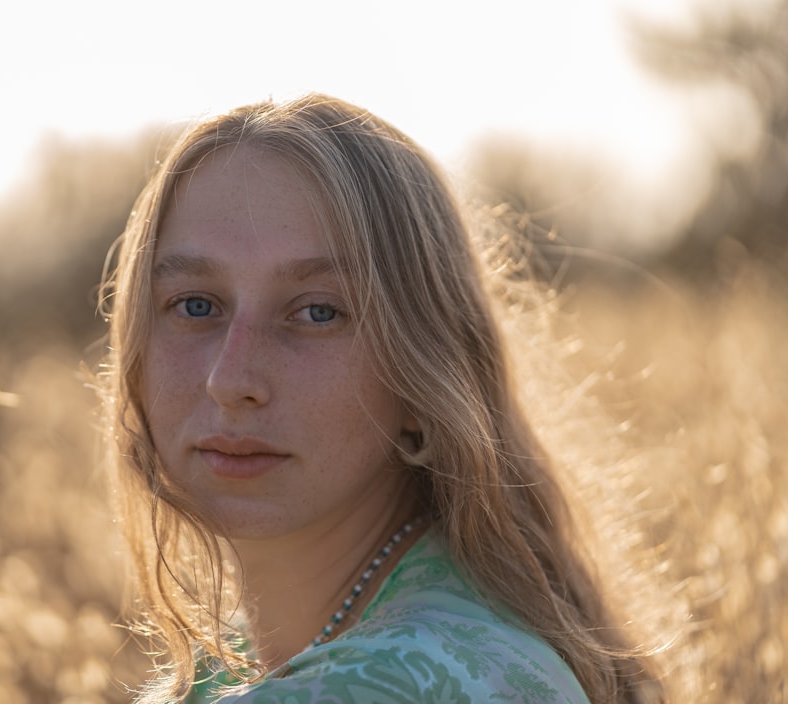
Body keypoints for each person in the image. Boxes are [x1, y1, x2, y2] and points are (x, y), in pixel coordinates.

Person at [97, 94, 667, 703]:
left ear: (426, 378)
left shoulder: (398, 684)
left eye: (318, 311)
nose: (230, 378)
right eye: (195, 305)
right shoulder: (238, 661)